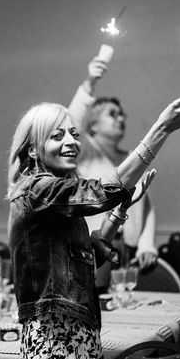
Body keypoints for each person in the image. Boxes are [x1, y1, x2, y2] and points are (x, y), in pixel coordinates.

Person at [8, 93, 180, 359]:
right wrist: (162, 129)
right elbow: (102, 192)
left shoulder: (55, 195)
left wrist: (119, 213)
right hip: (55, 338)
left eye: (73, 134)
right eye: (57, 135)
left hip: (76, 334)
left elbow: (80, 261)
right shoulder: (37, 190)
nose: (71, 141)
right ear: (32, 149)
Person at [68, 56, 158, 280]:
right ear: (93, 125)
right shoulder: (85, 149)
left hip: (127, 249)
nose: (120, 118)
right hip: (92, 244)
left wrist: (147, 245)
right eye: (112, 114)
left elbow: (147, 206)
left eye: (121, 114)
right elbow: (72, 121)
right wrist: (90, 82)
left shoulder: (131, 158)